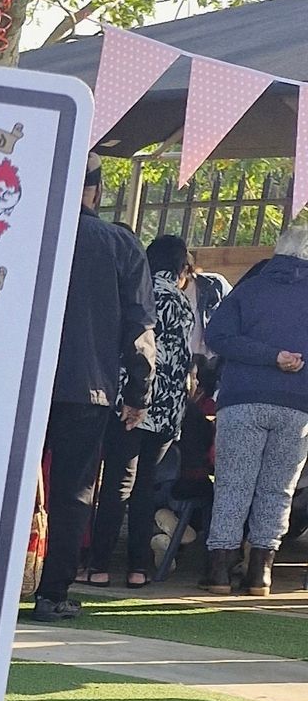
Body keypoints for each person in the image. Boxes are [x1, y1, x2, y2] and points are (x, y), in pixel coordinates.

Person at [33, 163, 154, 621]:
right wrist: (138, 393)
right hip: (88, 387)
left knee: (8, 487)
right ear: (97, 190)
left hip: (24, 385)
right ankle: (52, 594)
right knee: (73, 493)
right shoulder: (120, 243)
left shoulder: (29, 232)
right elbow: (139, 328)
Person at [200, 220, 308, 597]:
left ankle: (219, 570)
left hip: (242, 399)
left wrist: (268, 355)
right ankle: (261, 572)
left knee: (234, 483)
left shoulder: (251, 288)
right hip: (297, 404)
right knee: (278, 489)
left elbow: (217, 336)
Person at [88, 234, 194, 588]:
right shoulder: (184, 303)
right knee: (146, 487)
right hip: (167, 413)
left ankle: (99, 566)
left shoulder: (139, 293)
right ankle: (138, 568)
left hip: (132, 403)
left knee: (117, 484)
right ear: (181, 269)